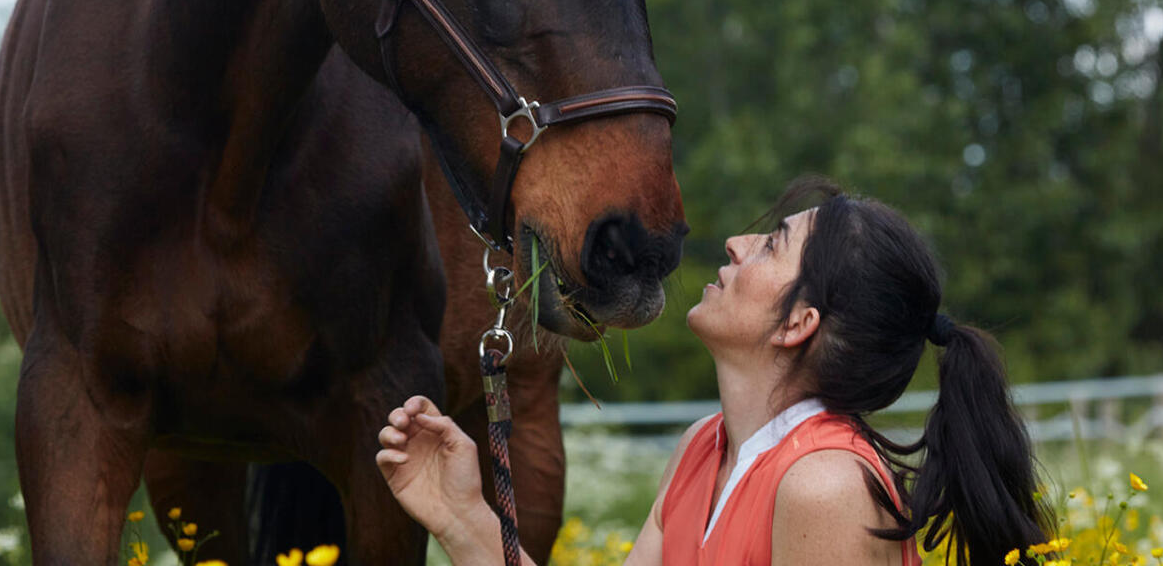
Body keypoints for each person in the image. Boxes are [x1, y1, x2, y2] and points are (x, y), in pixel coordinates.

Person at [375, 177, 1052, 565]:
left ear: (799, 324)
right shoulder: (702, 448)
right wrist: (462, 516)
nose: (737, 242)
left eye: (774, 243)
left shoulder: (825, 486)